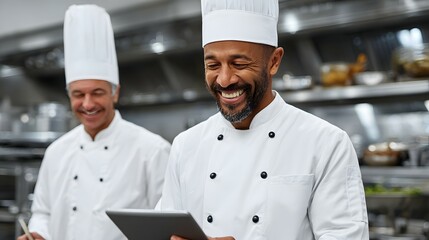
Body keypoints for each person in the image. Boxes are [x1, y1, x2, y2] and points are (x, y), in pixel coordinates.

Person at [159, 0, 369, 239]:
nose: (224, 79)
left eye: (239, 64)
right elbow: (166, 231)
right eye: (213, 65)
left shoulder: (326, 143)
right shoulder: (186, 146)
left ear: (274, 62)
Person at [17, 4, 171, 240]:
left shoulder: (152, 150)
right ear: (70, 96)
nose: (88, 104)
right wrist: (39, 233)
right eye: (79, 94)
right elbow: (42, 212)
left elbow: (165, 223)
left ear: (115, 92)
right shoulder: (57, 152)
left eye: (97, 92)